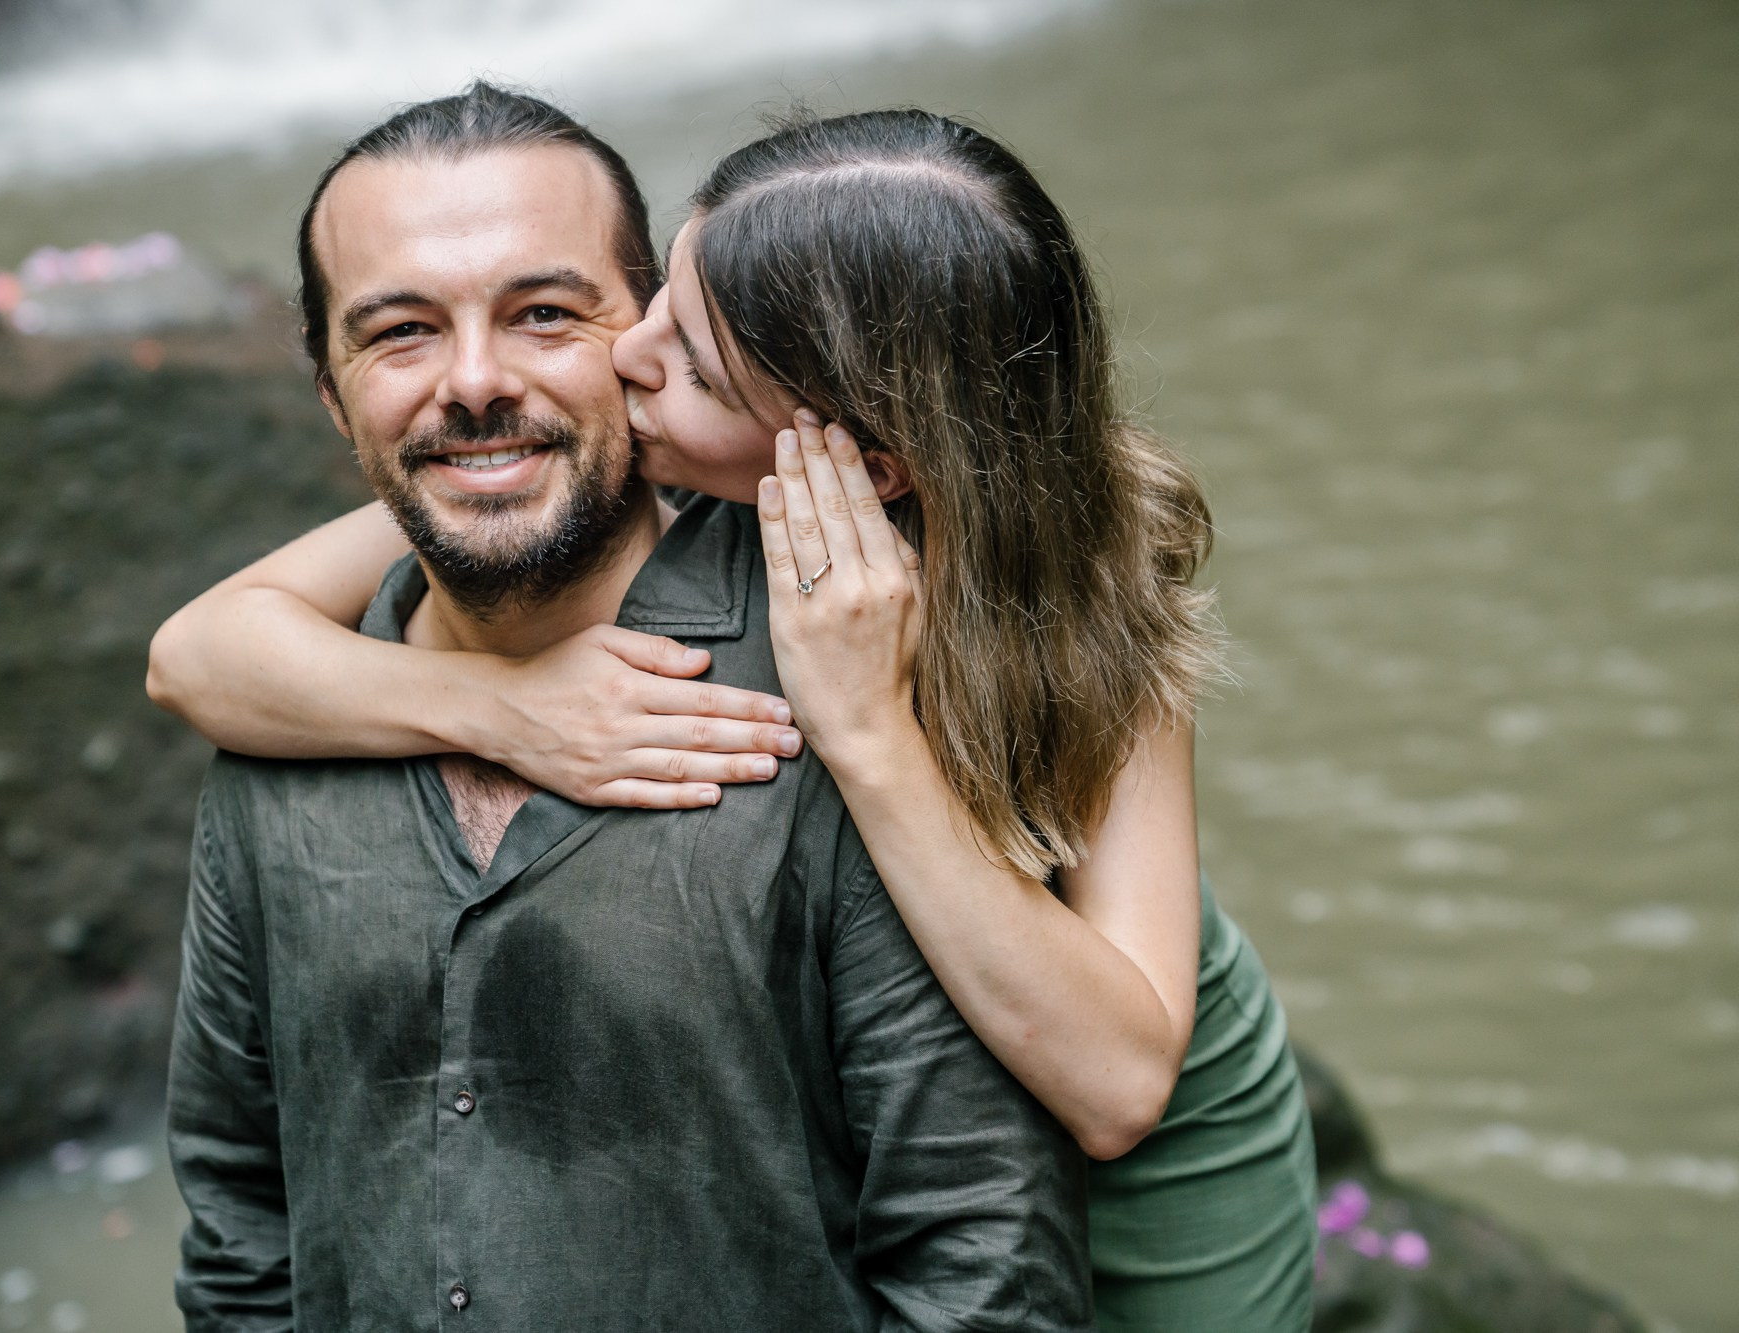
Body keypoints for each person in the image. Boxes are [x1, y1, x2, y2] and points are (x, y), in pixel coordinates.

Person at [153, 97, 1317, 1329]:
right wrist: (502, 706)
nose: (625, 361)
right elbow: (198, 654)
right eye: (656, 310)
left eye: (687, 361)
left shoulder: (1069, 579)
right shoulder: (538, 451)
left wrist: (866, 732)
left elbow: (1119, 1084)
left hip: (1141, 1118)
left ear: (852, 458)